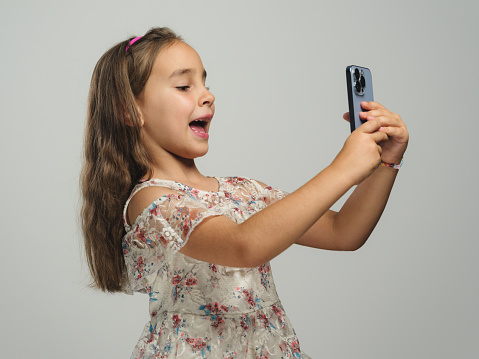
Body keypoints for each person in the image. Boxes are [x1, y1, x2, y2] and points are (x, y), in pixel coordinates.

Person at [81, 27, 408, 358]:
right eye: (184, 86)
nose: (207, 95)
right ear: (129, 109)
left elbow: (344, 232)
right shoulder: (151, 203)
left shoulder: (243, 191)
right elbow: (243, 246)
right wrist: (342, 170)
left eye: (206, 83)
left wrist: (386, 163)